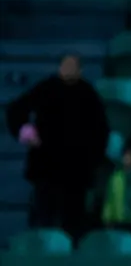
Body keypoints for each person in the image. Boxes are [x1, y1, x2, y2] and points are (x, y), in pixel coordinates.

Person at [6, 53, 109, 241]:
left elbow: (101, 131)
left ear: (80, 70)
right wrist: (24, 131)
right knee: (44, 220)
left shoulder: (88, 94)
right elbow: (16, 109)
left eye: (72, 66)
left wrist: (92, 161)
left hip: (76, 172)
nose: (68, 69)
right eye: (65, 65)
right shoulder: (46, 88)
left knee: (73, 225)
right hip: (46, 169)